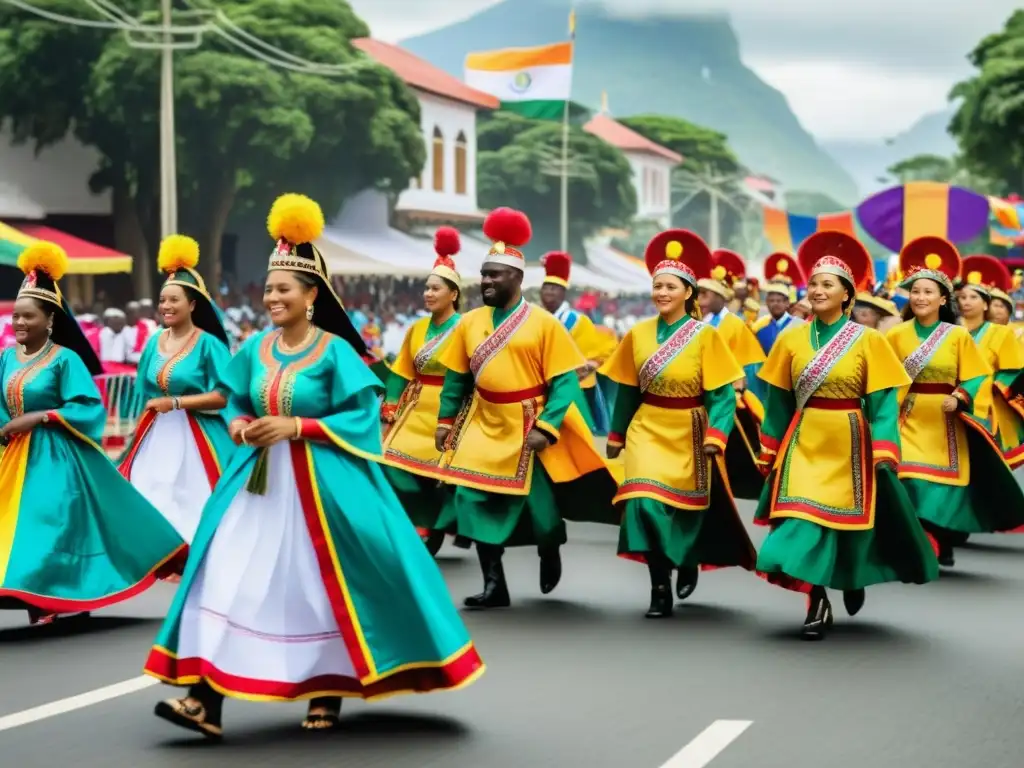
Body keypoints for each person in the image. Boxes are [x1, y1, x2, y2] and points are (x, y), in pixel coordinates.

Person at [146, 194, 483, 738]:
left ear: (311, 296)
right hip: (253, 486)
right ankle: (203, 698)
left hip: (321, 487)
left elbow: (363, 413)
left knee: (316, 583)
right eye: (269, 288)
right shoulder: (255, 348)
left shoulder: (335, 352)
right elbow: (232, 397)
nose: (272, 297)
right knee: (224, 574)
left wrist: (300, 427)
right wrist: (237, 425)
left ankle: (327, 689)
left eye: (283, 289)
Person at [430, 207, 619, 608]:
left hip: (527, 422)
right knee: (471, 500)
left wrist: (548, 426)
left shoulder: (544, 324)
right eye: (483, 274)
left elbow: (565, 382)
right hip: (481, 422)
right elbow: (457, 378)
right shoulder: (468, 322)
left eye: (494, 274)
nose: (486, 281)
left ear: (516, 278)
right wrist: (446, 421)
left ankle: (549, 550)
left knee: (541, 512)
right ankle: (494, 584)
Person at [755, 232, 937, 640]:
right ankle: (816, 599)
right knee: (800, 519)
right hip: (804, 439)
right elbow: (779, 402)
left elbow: (884, 402)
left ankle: (853, 577)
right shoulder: (790, 339)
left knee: (846, 524)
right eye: (813, 283)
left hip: (850, 440)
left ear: (846, 295)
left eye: (827, 284)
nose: (817, 290)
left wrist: (885, 446)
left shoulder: (868, 340)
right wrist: (769, 449)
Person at [0, 241, 185, 625]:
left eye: (28, 316)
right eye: (15, 316)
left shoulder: (64, 359)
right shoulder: (5, 357)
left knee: (44, 522)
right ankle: (32, 592)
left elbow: (88, 407)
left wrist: (39, 418)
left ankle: (50, 594)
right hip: (12, 454)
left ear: (49, 320)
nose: (19, 323)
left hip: (55, 456)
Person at [601, 230, 756, 616]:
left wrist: (717, 435)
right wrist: (617, 434)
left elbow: (720, 396)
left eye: (670, 286)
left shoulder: (707, 337)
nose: (662, 292)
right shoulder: (637, 334)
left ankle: (687, 560)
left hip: (690, 429)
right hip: (647, 427)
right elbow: (627, 391)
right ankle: (659, 586)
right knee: (642, 502)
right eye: (657, 286)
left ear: (688, 292)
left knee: (684, 510)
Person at [886, 237, 1024, 567]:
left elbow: (976, 376)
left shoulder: (957, 336)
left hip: (945, 419)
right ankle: (921, 540)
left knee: (941, 484)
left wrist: (960, 397)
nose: (920, 297)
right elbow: (884, 377)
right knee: (907, 476)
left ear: (942, 299)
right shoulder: (895, 335)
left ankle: (941, 537)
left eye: (928, 292)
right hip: (906, 415)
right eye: (915, 292)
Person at [118, 235, 235, 547]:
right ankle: (159, 552)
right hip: (156, 432)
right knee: (150, 488)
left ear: (193, 304)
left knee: (191, 494)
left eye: (174, 300)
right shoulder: (154, 340)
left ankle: (190, 555)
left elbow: (225, 395)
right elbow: (143, 391)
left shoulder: (209, 344)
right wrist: (135, 431)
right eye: (162, 300)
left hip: (199, 434)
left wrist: (177, 402)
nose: (166, 306)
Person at [380, 227, 468, 555]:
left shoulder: (466, 327)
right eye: (426, 288)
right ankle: (416, 518)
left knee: (443, 476)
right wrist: (390, 405)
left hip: (451, 410)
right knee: (390, 462)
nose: (428, 294)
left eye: (435, 288)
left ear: (453, 294)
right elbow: (401, 370)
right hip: (415, 410)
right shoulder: (416, 328)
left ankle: (434, 523)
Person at [697, 249, 766, 501]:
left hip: (729, 391)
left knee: (742, 435)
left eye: (706, 295)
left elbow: (747, 365)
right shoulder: (698, 324)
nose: (701, 300)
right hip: (699, 390)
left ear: (720, 297)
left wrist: (737, 389)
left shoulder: (735, 324)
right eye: (700, 294)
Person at [538, 250, 617, 435]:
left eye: (554, 288)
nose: (549, 291)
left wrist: (576, 372)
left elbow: (594, 355)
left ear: (563, 292)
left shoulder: (577, 320)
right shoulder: (537, 318)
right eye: (546, 287)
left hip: (577, 389)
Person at [749, 252, 806, 401]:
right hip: (766, 383)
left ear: (788, 303)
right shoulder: (759, 327)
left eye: (780, 300)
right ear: (766, 303)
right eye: (772, 300)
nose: (776, 304)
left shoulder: (798, 326)